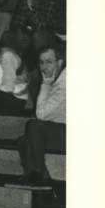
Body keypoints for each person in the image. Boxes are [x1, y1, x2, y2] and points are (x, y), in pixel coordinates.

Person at [18, 43, 66, 183]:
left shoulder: (64, 83)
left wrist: (45, 84)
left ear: (59, 62)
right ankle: (39, 175)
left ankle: (38, 174)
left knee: (33, 126)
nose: (44, 67)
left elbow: (41, 115)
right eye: (41, 62)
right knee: (23, 142)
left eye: (49, 62)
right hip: (60, 126)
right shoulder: (58, 77)